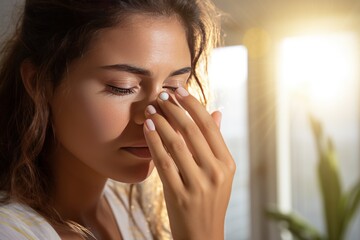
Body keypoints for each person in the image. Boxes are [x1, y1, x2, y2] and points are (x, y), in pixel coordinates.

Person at [0, 0, 236, 239]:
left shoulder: (128, 203)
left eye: (173, 87)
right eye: (122, 87)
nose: (153, 116)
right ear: (39, 82)